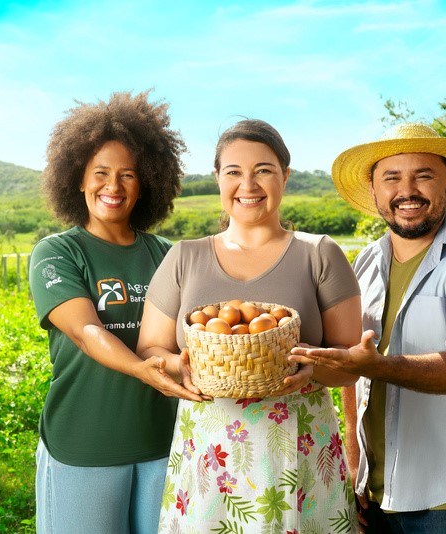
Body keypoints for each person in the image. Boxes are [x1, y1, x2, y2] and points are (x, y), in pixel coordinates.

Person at [291, 122, 446, 533]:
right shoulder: (364, 263)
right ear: (374, 190)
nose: (407, 191)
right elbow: (351, 366)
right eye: (392, 178)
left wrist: (376, 366)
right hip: (376, 490)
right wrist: (354, 461)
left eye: (423, 176)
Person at [137, 119, 362, 532]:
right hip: (210, 456)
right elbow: (150, 348)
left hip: (298, 450)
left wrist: (314, 368)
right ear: (218, 179)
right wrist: (178, 366)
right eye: (234, 172)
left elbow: (350, 364)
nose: (248, 185)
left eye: (263, 170)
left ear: (285, 176)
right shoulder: (184, 257)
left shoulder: (320, 254)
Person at [27, 90, 201, 534]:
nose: (114, 186)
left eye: (128, 175)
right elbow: (85, 330)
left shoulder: (168, 255)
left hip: (163, 445)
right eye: (100, 173)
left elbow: (192, 336)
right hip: (84, 446)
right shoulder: (57, 253)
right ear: (78, 180)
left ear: (147, 183)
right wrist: (142, 369)